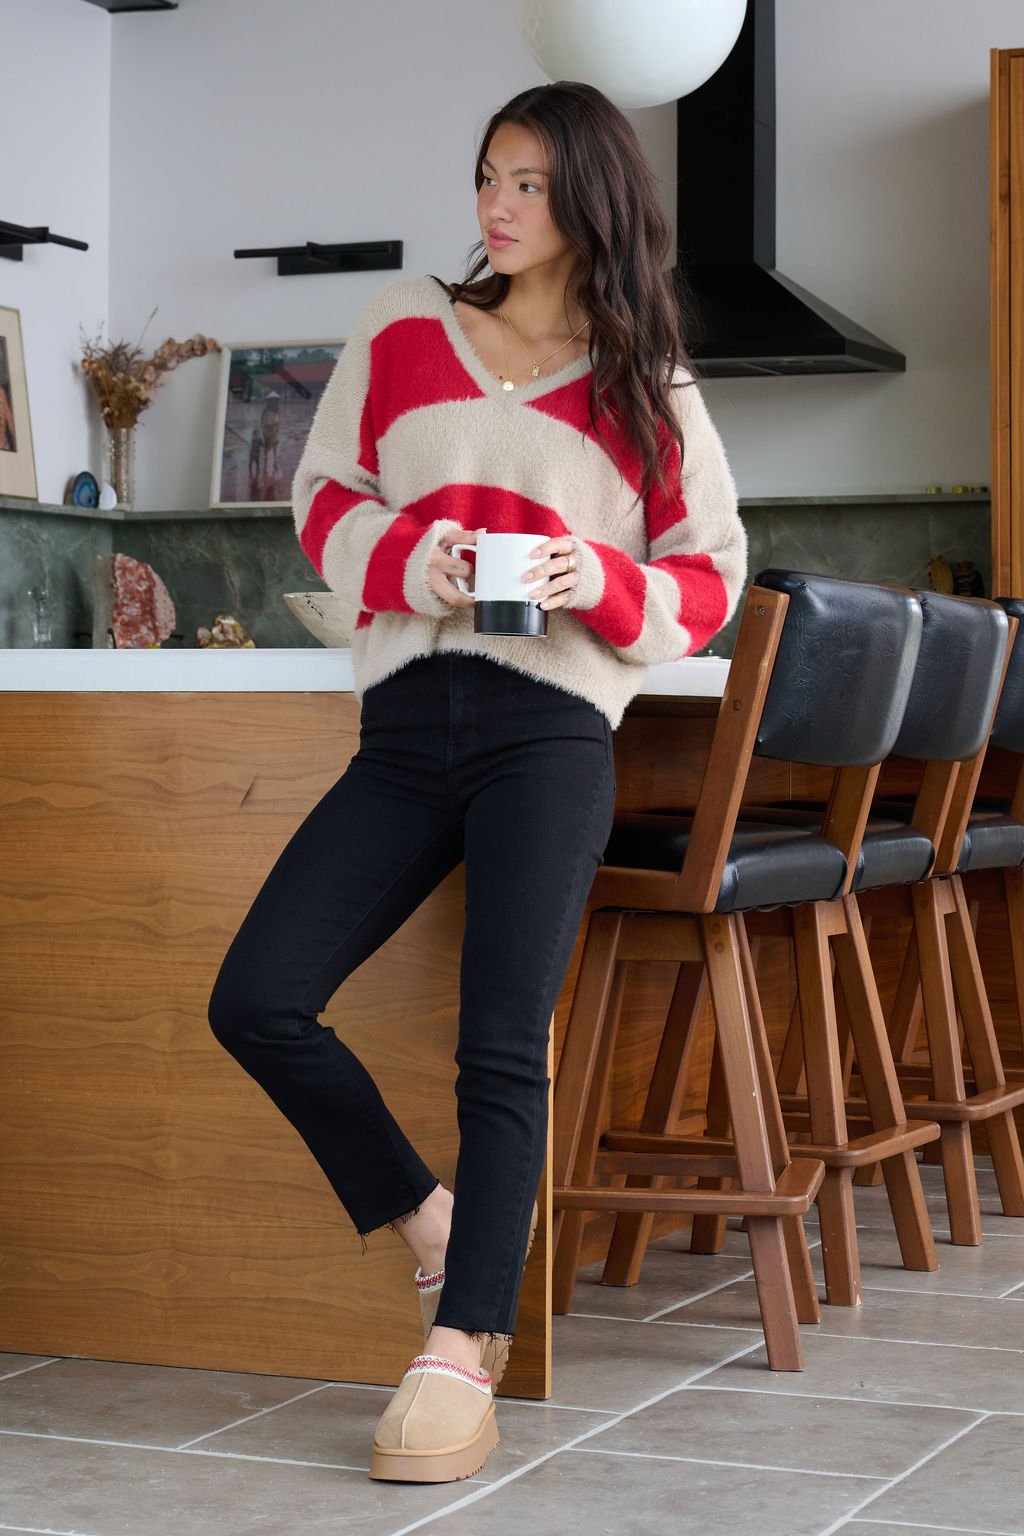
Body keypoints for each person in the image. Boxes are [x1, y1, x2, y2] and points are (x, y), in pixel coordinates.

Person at [207, 79, 746, 1485]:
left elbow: (711, 578)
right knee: (257, 998)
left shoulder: (648, 380)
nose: (495, 208)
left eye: (527, 185)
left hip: (550, 729)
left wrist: (597, 574)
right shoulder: (399, 333)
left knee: (500, 1043)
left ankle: (465, 1351)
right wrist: (413, 560)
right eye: (487, 178)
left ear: (590, 204)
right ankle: (434, 1222)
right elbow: (322, 497)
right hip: (405, 727)